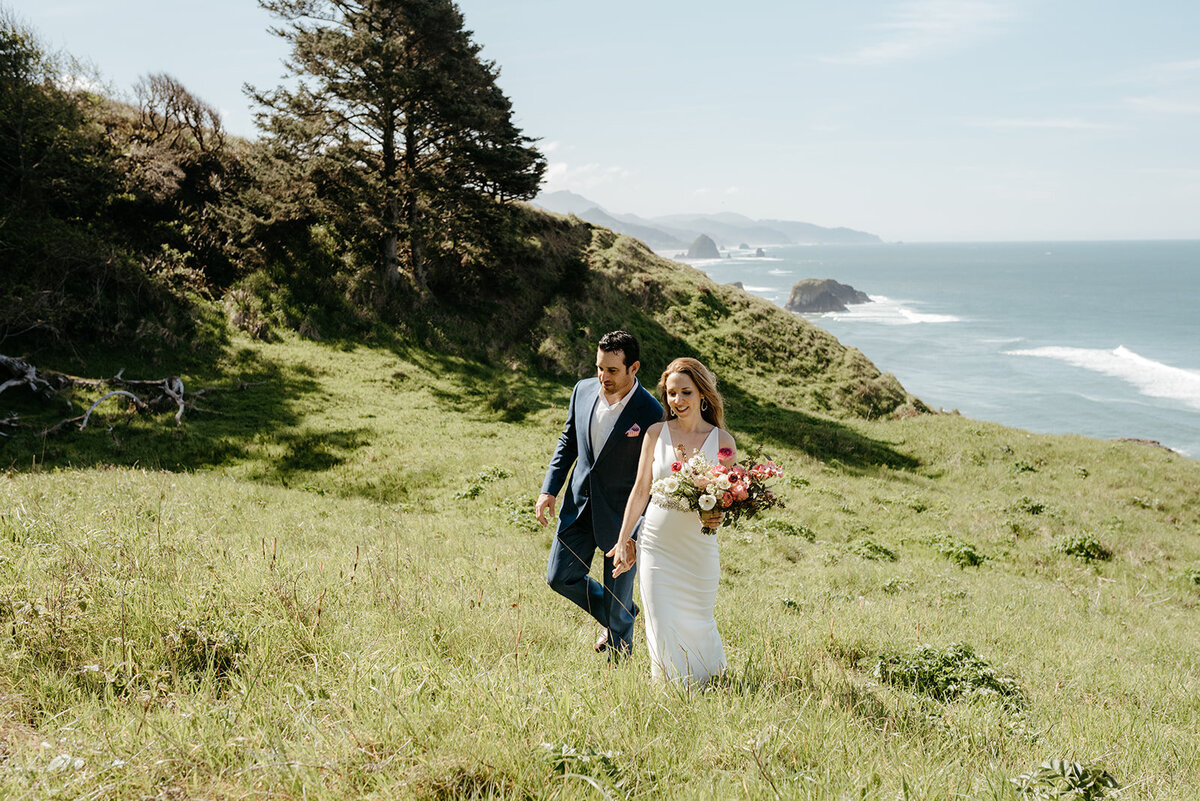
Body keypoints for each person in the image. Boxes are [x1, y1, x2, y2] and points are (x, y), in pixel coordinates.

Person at [536, 331, 664, 658]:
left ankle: (617, 672)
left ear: (633, 368)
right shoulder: (582, 390)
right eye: (599, 368)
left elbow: (653, 477)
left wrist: (634, 533)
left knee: (618, 596)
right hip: (578, 508)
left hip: (622, 520)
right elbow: (568, 442)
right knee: (559, 577)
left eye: (612, 370)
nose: (603, 377)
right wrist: (549, 489)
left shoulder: (651, 412)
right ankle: (618, 617)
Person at [609, 357, 733, 685]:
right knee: (660, 620)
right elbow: (640, 491)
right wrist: (623, 540)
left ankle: (709, 686)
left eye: (686, 393)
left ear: (703, 394)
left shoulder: (722, 443)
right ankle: (669, 691)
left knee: (698, 620)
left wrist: (719, 513)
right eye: (671, 393)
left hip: (699, 549)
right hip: (657, 545)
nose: (677, 401)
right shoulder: (655, 433)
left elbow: (729, 497)